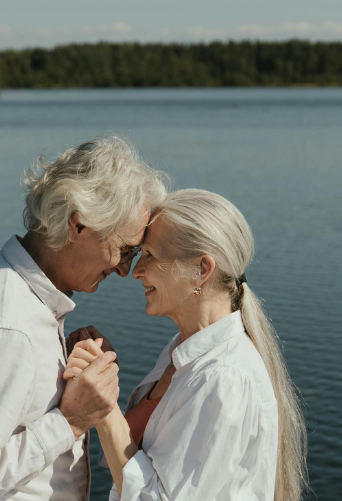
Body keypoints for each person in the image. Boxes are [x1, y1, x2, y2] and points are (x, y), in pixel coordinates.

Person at [0, 136, 168, 501]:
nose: (125, 270)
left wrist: (59, 358)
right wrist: (69, 421)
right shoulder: (9, 327)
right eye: (125, 251)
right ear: (77, 226)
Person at [64, 189, 307, 501]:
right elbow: (137, 463)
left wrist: (104, 407)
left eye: (150, 255)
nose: (135, 271)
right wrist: (102, 374)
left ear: (202, 270)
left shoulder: (223, 378)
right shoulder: (182, 353)